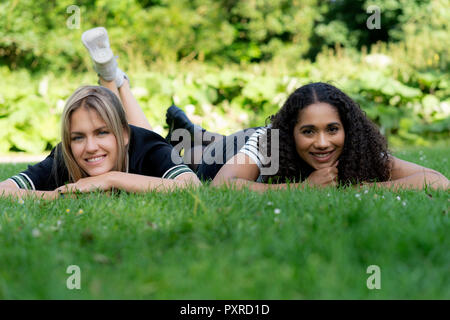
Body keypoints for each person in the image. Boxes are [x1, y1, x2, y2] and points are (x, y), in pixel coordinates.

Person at [0, 27, 200, 200]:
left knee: (148, 133)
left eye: (101, 133)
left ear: (123, 135)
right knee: (110, 116)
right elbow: (3, 191)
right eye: (78, 137)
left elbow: (191, 185)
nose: (90, 147)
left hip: (174, 146)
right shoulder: (65, 157)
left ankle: (117, 80)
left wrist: (109, 179)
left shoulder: (148, 147)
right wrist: (59, 196)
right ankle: (112, 77)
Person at [166, 82, 449, 190]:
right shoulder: (270, 142)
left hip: (251, 145)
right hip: (226, 156)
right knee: (196, 156)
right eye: (308, 131)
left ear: (347, 130)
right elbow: (222, 186)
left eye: (332, 129)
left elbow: (438, 181)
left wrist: (361, 188)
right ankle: (194, 137)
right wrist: (303, 187)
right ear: (290, 133)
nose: (323, 142)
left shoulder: (357, 148)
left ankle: (199, 133)